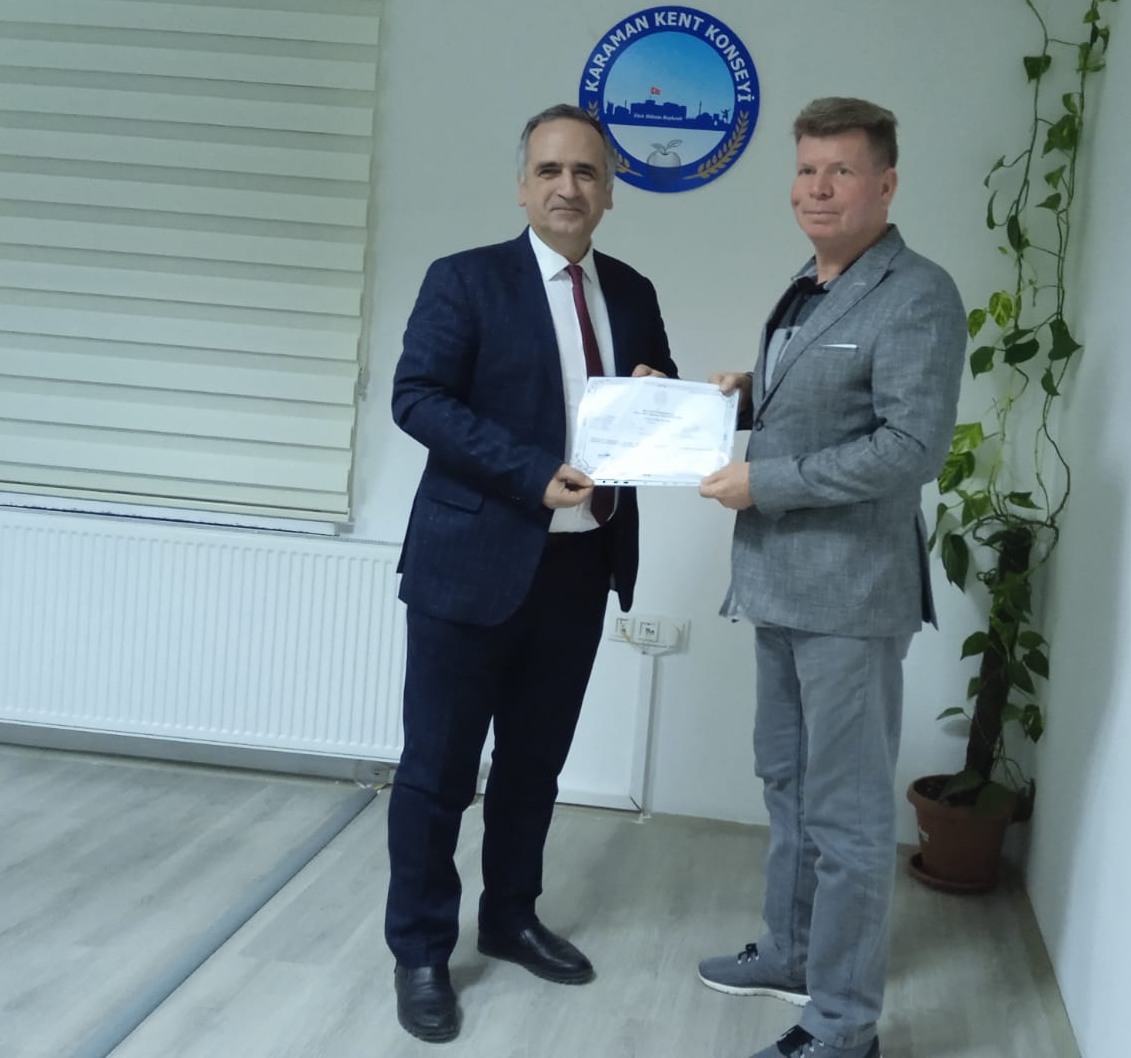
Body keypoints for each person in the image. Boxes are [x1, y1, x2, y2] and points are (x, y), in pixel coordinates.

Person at [387, 104, 676, 1044]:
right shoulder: (464, 280)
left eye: (586, 172)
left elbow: (655, 401)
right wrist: (526, 472)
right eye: (549, 170)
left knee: (533, 767)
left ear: (609, 192)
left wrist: (668, 399)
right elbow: (417, 398)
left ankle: (510, 917)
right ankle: (421, 951)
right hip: (469, 567)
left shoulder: (631, 291)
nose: (567, 187)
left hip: (580, 565)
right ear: (522, 187)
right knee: (437, 773)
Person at [697, 97, 967, 1058]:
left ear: (885, 185)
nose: (817, 188)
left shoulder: (918, 293)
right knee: (788, 784)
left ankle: (846, 1027)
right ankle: (794, 952)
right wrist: (731, 401)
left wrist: (764, 481)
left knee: (847, 818)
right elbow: (819, 404)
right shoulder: (810, 285)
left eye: (840, 171)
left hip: (851, 597)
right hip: (776, 583)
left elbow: (908, 448)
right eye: (807, 170)